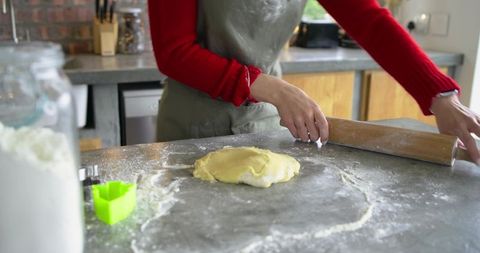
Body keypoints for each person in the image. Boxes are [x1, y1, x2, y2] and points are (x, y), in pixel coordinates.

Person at [148, 0, 480, 165]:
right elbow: (175, 52)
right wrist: (274, 88)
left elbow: (370, 21)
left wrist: (440, 95)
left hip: (264, 120)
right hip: (191, 125)